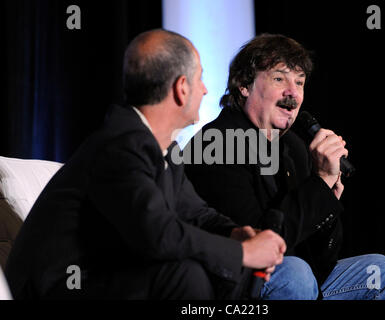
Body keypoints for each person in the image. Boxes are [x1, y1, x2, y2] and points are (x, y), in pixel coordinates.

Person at [4, 29, 286, 300]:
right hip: (58, 286)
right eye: (200, 79)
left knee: (230, 272)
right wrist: (242, 253)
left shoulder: (162, 147)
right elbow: (157, 234)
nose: (205, 90)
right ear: (181, 88)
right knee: (185, 275)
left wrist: (237, 233)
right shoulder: (120, 145)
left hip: (105, 276)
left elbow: (196, 213)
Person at [184, 33, 385, 299]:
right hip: (235, 283)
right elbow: (261, 243)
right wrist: (318, 183)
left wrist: (325, 201)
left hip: (297, 277)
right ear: (244, 84)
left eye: (299, 83)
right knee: (295, 273)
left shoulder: (294, 148)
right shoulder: (217, 143)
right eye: (279, 79)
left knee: (381, 272)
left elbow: (321, 261)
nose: (293, 93)